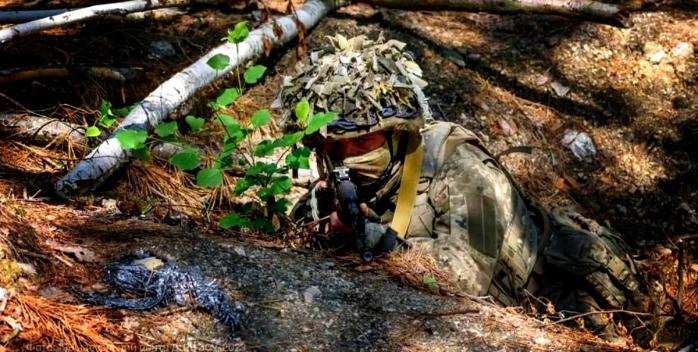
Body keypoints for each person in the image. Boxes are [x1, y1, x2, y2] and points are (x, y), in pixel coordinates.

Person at [274, 34, 649, 341]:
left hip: (558, 308)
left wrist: (376, 239)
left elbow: (466, 278)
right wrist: (318, 219)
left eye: (362, 142)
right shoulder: (342, 174)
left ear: (395, 134)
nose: (349, 156)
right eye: (336, 147)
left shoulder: (457, 162)